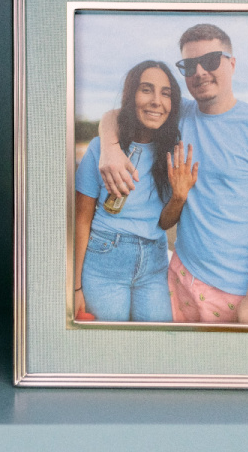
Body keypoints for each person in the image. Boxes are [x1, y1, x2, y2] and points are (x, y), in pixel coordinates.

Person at [97, 23, 248, 324]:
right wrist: (110, 149)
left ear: (232, 63)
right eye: (189, 65)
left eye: (212, 60)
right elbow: (118, 114)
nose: (200, 71)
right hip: (177, 275)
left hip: (232, 293)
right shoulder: (180, 116)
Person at [73, 60, 198, 322]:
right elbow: (81, 219)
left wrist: (179, 196)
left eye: (166, 93)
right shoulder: (100, 149)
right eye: (146, 89)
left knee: (155, 346)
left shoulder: (171, 153)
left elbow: (164, 222)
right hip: (104, 262)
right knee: (108, 347)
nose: (156, 101)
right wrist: (75, 287)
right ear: (131, 96)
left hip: (154, 264)